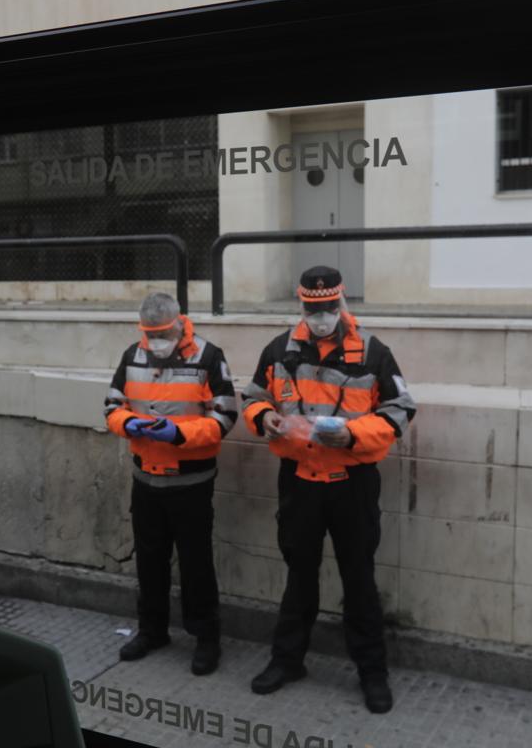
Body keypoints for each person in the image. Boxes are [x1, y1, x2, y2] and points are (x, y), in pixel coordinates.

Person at [241, 266, 415, 713]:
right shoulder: (280, 349)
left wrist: (354, 437)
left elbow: (400, 410)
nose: (321, 318)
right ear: (302, 306)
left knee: (359, 580)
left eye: (328, 309)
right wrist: (265, 418)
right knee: (299, 575)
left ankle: (372, 673)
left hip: (351, 485)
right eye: (312, 310)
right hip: (300, 482)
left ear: (342, 305)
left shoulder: (373, 352)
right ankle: (287, 660)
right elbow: (254, 396)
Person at [103, 293, 238, 675]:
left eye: (164, 332)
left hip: (191, 482)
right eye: (151, 333)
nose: (157, 340)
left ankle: (206, 638)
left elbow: (225, 417)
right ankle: (152, 630)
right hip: (145, 479)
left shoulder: (209, 357)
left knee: (196, 563)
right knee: (149, 561)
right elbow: (113, 406)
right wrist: (126, 423)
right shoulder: (133, 355)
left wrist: (177, 434)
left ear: (180, 323)